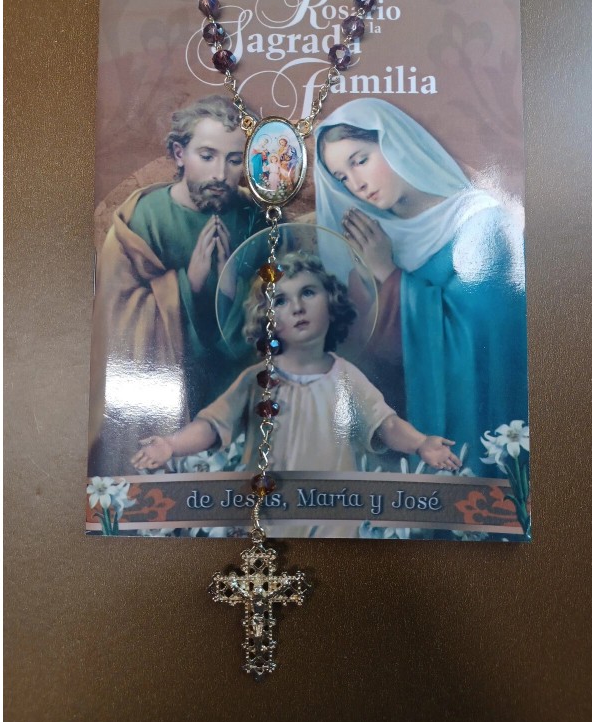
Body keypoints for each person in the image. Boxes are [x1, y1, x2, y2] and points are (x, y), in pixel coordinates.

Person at [314, 98, 528, 476]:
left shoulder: (479, 221)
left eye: (360, 160)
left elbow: (483, 335)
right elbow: (365, 356)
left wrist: (388, 274)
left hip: (478, 420)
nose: (357, 184)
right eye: (342, 178)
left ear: (396, 144)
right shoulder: (373, 238)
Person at [130, 252, 461, 476]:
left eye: (308, 293)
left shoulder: (346, 377)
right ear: (267, 317)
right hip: (271, 511)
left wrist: (420, 443)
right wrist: (171, 444)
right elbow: (212, 426)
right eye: (281, 300)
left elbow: (386, 425)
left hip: (332, 511)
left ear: (331, 301)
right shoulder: (257, 380)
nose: (297, 307)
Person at [88, 95, 263, 476]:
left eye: (234, 160)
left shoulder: (253, 218)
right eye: (207, 156)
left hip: (232, 386)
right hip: (170, 381)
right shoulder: (142, 220)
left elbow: (273, 308)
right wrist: (189, 285)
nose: (220, 174)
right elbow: (117, 318)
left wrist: (233, 290)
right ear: (179, 154)